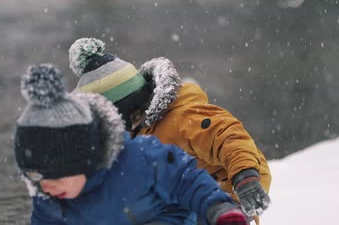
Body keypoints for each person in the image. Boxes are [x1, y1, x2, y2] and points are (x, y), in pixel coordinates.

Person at [14, 63, 249, 225]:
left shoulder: (140, 159)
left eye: (55, 176)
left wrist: (220, 210)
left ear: (84, 159)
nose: (46, 187)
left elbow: (186, 179)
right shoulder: (48, 199)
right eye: (36, 177)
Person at [68, 38, 271, 223]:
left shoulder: (182, 117)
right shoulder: (130, 137)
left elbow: (228, 136)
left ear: (131, 108)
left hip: (222, 199)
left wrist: (245, 176)